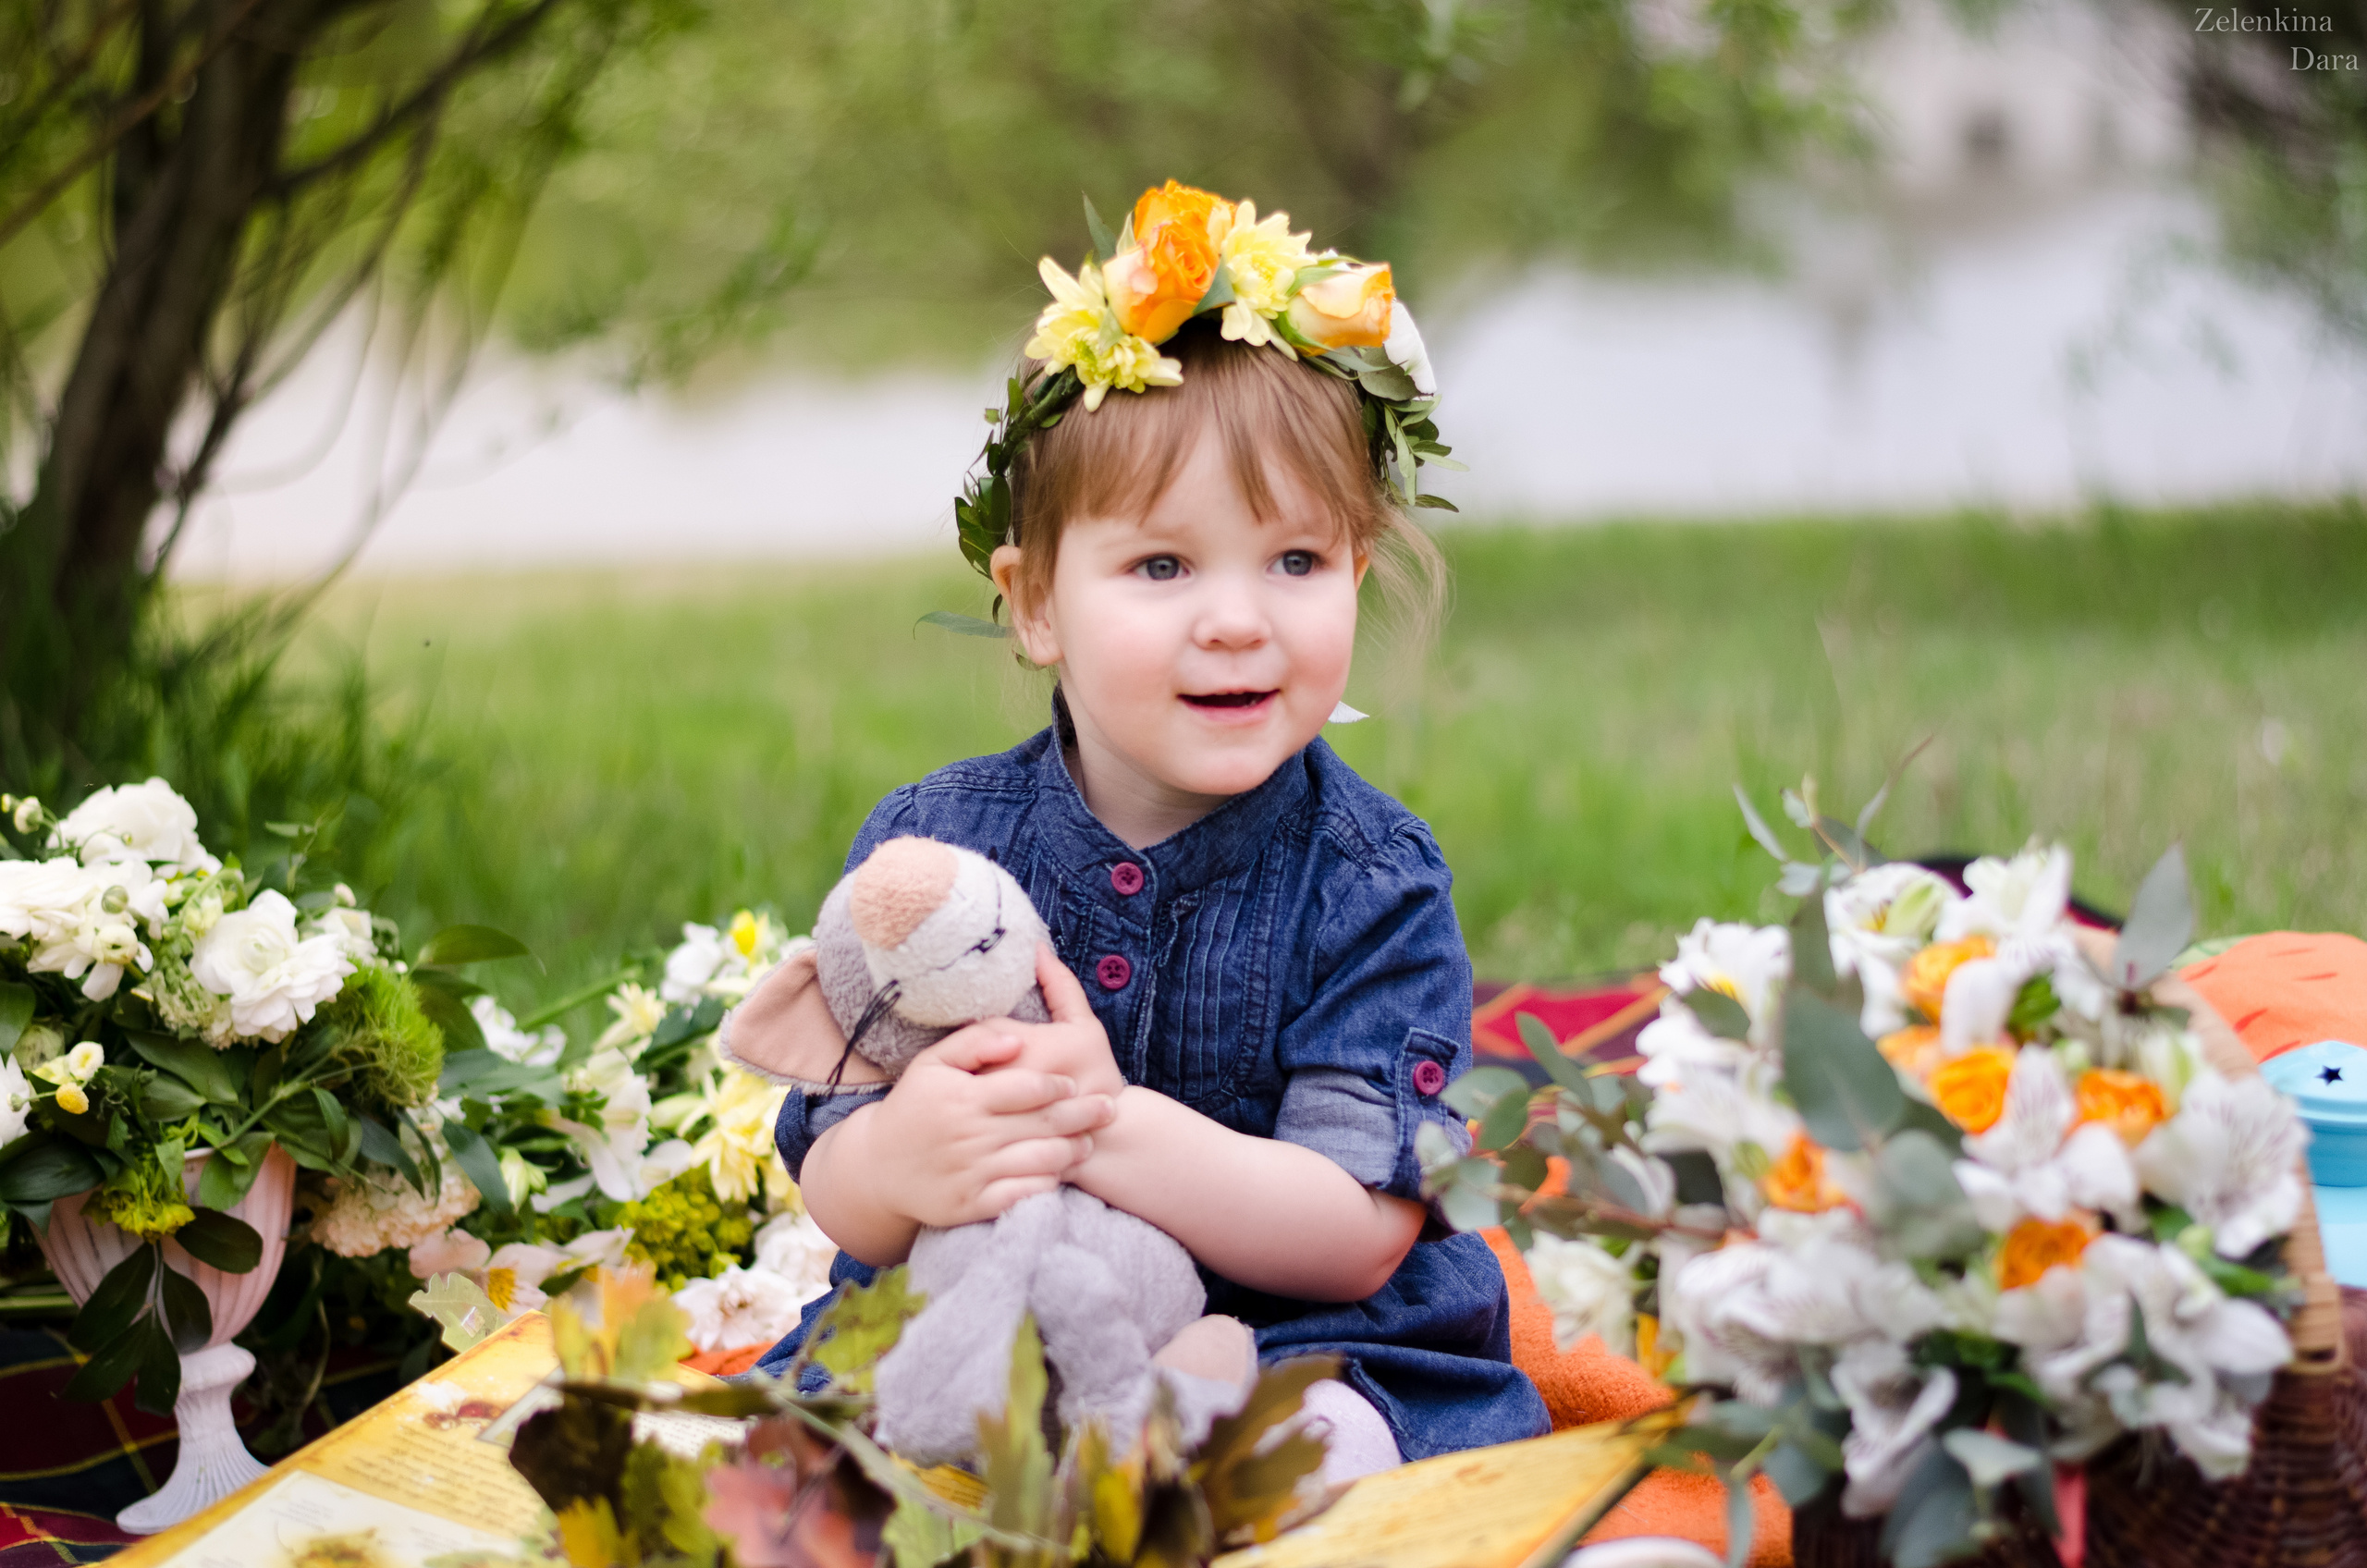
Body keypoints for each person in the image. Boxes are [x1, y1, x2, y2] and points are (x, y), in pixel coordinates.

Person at [726, 182, 1550, 1480]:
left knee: (1327, 1435)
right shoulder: (933, 849)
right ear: (1036, 605)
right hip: (993, 1305)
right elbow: (838, 1182)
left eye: (1296, 562)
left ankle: (1186, 1464)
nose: (1236, 620)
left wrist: (1096, 1123)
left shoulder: (1372, 883)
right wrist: (904, 1159)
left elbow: (1357, 1233)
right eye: (1162, 567)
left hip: (1290, 1330)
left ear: (1358, 572)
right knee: (837, 1440)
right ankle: (1030, 1463)